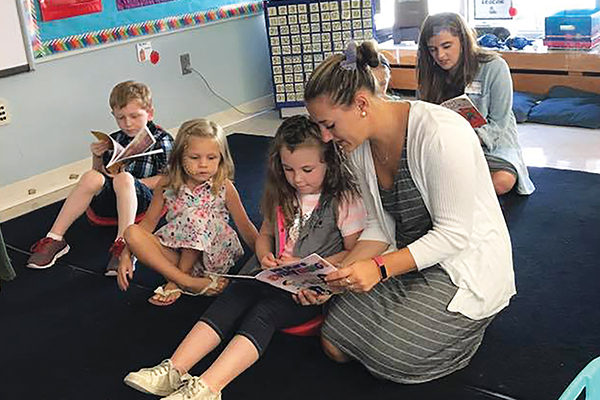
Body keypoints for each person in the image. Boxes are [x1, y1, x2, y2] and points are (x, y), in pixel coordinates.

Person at [302, 40, 516, 384]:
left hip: (459, 265)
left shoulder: (440, 133)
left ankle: (471, 327)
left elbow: (453, 235)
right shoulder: (357, 148)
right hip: (407, 257)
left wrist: (378, 268)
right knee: (334, 342)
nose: (326, 138)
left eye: (329, 125)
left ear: (360, 104)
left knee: (394, 361)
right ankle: (417, 316)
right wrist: (337, 275)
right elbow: (378, 224)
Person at [121, 115, 366, 399]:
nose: (298, 178)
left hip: (309, 288)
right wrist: (263, 256)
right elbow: (264, 235)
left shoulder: (344, 200)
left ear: (329, 163)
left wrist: (306, 267)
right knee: (231, 299)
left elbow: (355, 251)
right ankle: (174, 369)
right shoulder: (282, 193)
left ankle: (209, 386)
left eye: (308, 169)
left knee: (263, 313)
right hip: (270, 273)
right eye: (288, 169)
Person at [26, 81, 174, 275]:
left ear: (150, 113)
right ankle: (55, 238)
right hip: (112, 199)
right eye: (121, 118)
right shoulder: (114, 139)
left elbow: (168, 180)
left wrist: (132, 182)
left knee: (124, 179)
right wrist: (96, 157)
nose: (127, 123)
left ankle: (124, 244)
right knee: (90, 177)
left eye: (134, 116)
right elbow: (99, 175)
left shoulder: (162, 140)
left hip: (144, 200)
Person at [117, 118, 258, 306]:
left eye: (211, 158)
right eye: (194, 157)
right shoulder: (167, 184)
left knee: (195, 216)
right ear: (181, 156)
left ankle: (177, 281)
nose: (203, 165)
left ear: (221, 158)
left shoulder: (224, 186)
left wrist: (265, 257)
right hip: (178, 254)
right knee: (131, 232)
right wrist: (127, 254)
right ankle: (187, 282)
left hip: (212, 258)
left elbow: (246, 227)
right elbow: (147, 224)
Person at [416, 12, 534, 195]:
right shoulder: (429, 71)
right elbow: (423, 116)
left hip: (491, 143)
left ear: (463, 41)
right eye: (432, 49)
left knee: (501, 182)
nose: (440, 55)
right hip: (446, 144)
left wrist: (466, 139)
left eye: (447, 46)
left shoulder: (494, 66)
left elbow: (499, 123)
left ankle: (453, 195)